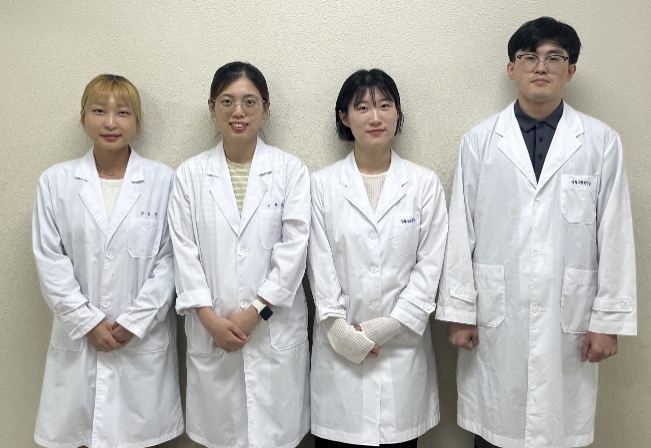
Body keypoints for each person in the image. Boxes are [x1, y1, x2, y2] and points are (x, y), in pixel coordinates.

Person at [436, 17, 637, 448]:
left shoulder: (600, 142)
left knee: (558, 428)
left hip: (570, 322)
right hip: (496, 318)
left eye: (554, 58)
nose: (541, 67)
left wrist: (608, 322)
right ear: (512, 68)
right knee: (495, 431)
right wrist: (459, 312)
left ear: (571, 70)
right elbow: (461, 232)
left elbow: (615, 234)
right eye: (529, 57)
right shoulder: (479, 141)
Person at [32, 74, 183, 448]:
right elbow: (50, 261)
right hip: (79, 341)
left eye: (123, 112)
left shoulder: (163, 181)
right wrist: (87, 322)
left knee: (138, 438)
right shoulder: (55, 182)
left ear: (138, 122)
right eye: (99, 111)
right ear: (83, 117)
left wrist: (136, 320)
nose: (111, 122)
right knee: (81, 435)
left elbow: (171, 260)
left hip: (140, 341)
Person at [168, 61, 311, 448]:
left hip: (272, 329)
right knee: (221, 437)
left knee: (276, 437)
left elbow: (294, 250)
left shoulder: (290, 171)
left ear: (266, 108)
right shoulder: (189, 175)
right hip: (211, 330)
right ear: (212, 107)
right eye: (227, 101)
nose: (238, 111)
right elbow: (184, 252)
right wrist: (209, 319)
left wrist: (255, 312)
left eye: (250, 102)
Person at [308, 69, 448, 447]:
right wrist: (340, 333)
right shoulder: (321, 186)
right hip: (339, 358)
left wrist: (382, 329)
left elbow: (430, 269)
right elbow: (319, 266)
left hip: (401, 353)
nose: (375, 117)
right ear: (344, 116)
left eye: (385, 106)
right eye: (363, 107)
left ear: (397, 114)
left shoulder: (423, 185)